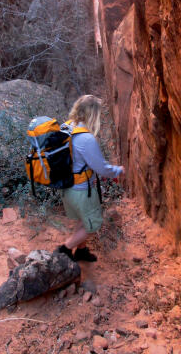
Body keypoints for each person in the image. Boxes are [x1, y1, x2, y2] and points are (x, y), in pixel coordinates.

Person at [55, 95, 124, 262]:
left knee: (82, 219)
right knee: (94, 225)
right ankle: (64, 249)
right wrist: (118, 170)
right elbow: (100, 167)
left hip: (66, 188)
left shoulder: (66, 127)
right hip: (82, 191)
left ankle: (81, 251)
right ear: (93, 114)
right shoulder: (86, 138)